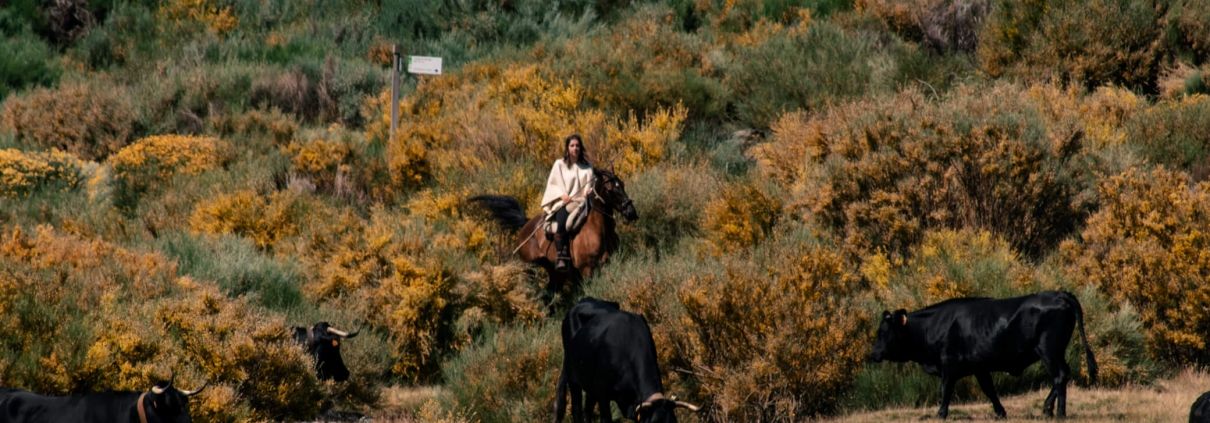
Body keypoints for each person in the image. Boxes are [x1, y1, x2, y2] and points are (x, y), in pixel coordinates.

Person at [541, 134, 594, 271]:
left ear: (581, 148)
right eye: (572, 145)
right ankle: (561, 255)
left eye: (577, 145)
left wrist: (589, 192)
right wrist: (562, 195)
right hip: (564, 202)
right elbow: (553, 183)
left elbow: (591, 184)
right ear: (567, 148)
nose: (575, 148)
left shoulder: (587, 167)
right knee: (562, 220)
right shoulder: (560, 164)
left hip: (582, 203)